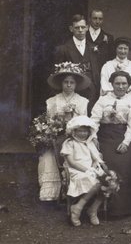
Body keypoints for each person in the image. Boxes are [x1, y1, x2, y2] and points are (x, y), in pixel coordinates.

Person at [38, 62, 91, 202]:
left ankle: (77, 192)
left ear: (76, 85)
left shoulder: (82, 101)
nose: (68, 85)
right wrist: (57, 124)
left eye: (72, 82)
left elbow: (84, 123)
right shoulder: (52, 101)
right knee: (48, 157)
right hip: (57, 137)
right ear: (61, 84)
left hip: (76, 139)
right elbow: (49, 122)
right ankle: (53, 193)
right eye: (66, 82)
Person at [91, 71, 131, 216]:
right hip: (105, 137)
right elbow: (94, 120)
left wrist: (126, 142)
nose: (120, 86)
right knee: (105, 163)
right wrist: (93, 137)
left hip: (123, 136)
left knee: (125, 162)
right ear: (111, 84)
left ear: (129, 85)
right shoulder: (102, 100)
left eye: (124, 83)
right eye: (117, 83)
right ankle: (102, 207)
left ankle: (123, 208)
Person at [61, 116, 106, 227]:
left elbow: (96, 158)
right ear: (74, 131)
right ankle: (78, 207)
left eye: (85, 131)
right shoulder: (69, 143)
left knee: (109, 182)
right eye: (80, 131)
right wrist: (88, 170)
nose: (83, 134)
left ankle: (93, 209)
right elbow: (72, 162)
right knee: (96, 181)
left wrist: (98, 167)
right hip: (76, 170)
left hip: (90, 169)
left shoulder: (89, 143)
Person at [54, 14, 101, 110]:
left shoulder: (93, 48)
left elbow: (96, 71)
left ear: (87, 28)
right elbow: (58, 76)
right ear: (71, 29)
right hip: (73, 93)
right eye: (77, 27)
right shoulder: (63, 49)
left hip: (92, 93)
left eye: (83, 27)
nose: (80, 30)